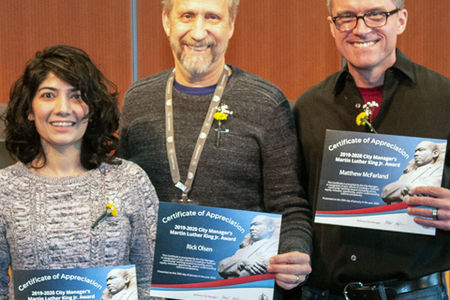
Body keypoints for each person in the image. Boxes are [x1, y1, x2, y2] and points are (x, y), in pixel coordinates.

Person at [118, 0, 312, 294]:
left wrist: (295, 252)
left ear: (231, 25)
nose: (198, 32)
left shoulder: (266, 102)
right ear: (166, 22)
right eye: (187, 15)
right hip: (158, 289)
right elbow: (121, 202)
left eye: (212, 17)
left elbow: (290, 206)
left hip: (238, 288)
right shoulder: (137, 100)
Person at [293, 0, 450, 299]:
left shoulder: (444, 99)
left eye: (376, 14)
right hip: (324, 294)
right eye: (346, 17)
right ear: (332, 26)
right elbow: (293, 203)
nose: (361, 29)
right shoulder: (307, 108)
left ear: (401, 20)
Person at [0, 45, 158, 299]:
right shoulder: (5, 189)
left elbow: (151, 284)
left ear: (92, 109)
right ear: (29, 110)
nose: (63, 108)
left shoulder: (130, 181)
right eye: (48, 95)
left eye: (76, 96)